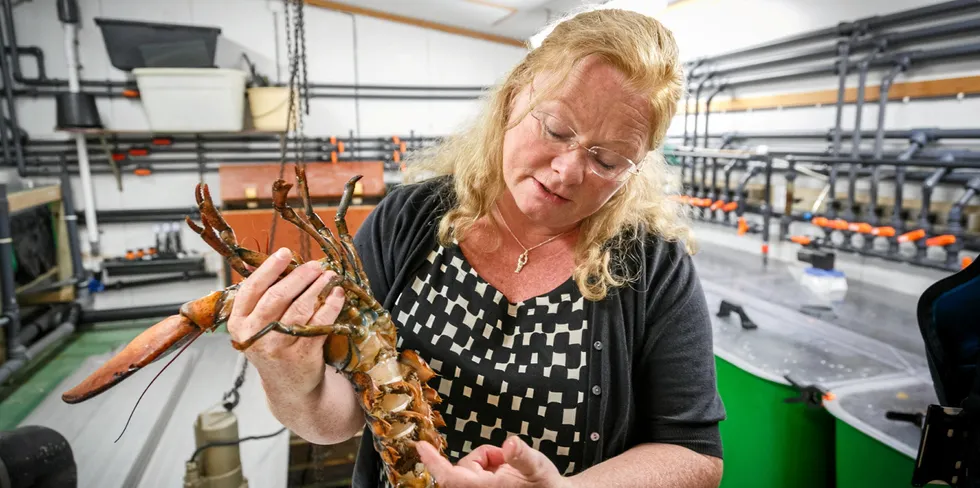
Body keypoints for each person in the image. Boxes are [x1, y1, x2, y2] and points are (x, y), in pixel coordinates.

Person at [227, 6, 726, 488]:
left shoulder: (652, 266)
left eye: (610, 160)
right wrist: (288, 373)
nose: (569, 170)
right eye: (555, 128)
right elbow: (340, 418)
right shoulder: (407, 222)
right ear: (512, 97)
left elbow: (693, 453)